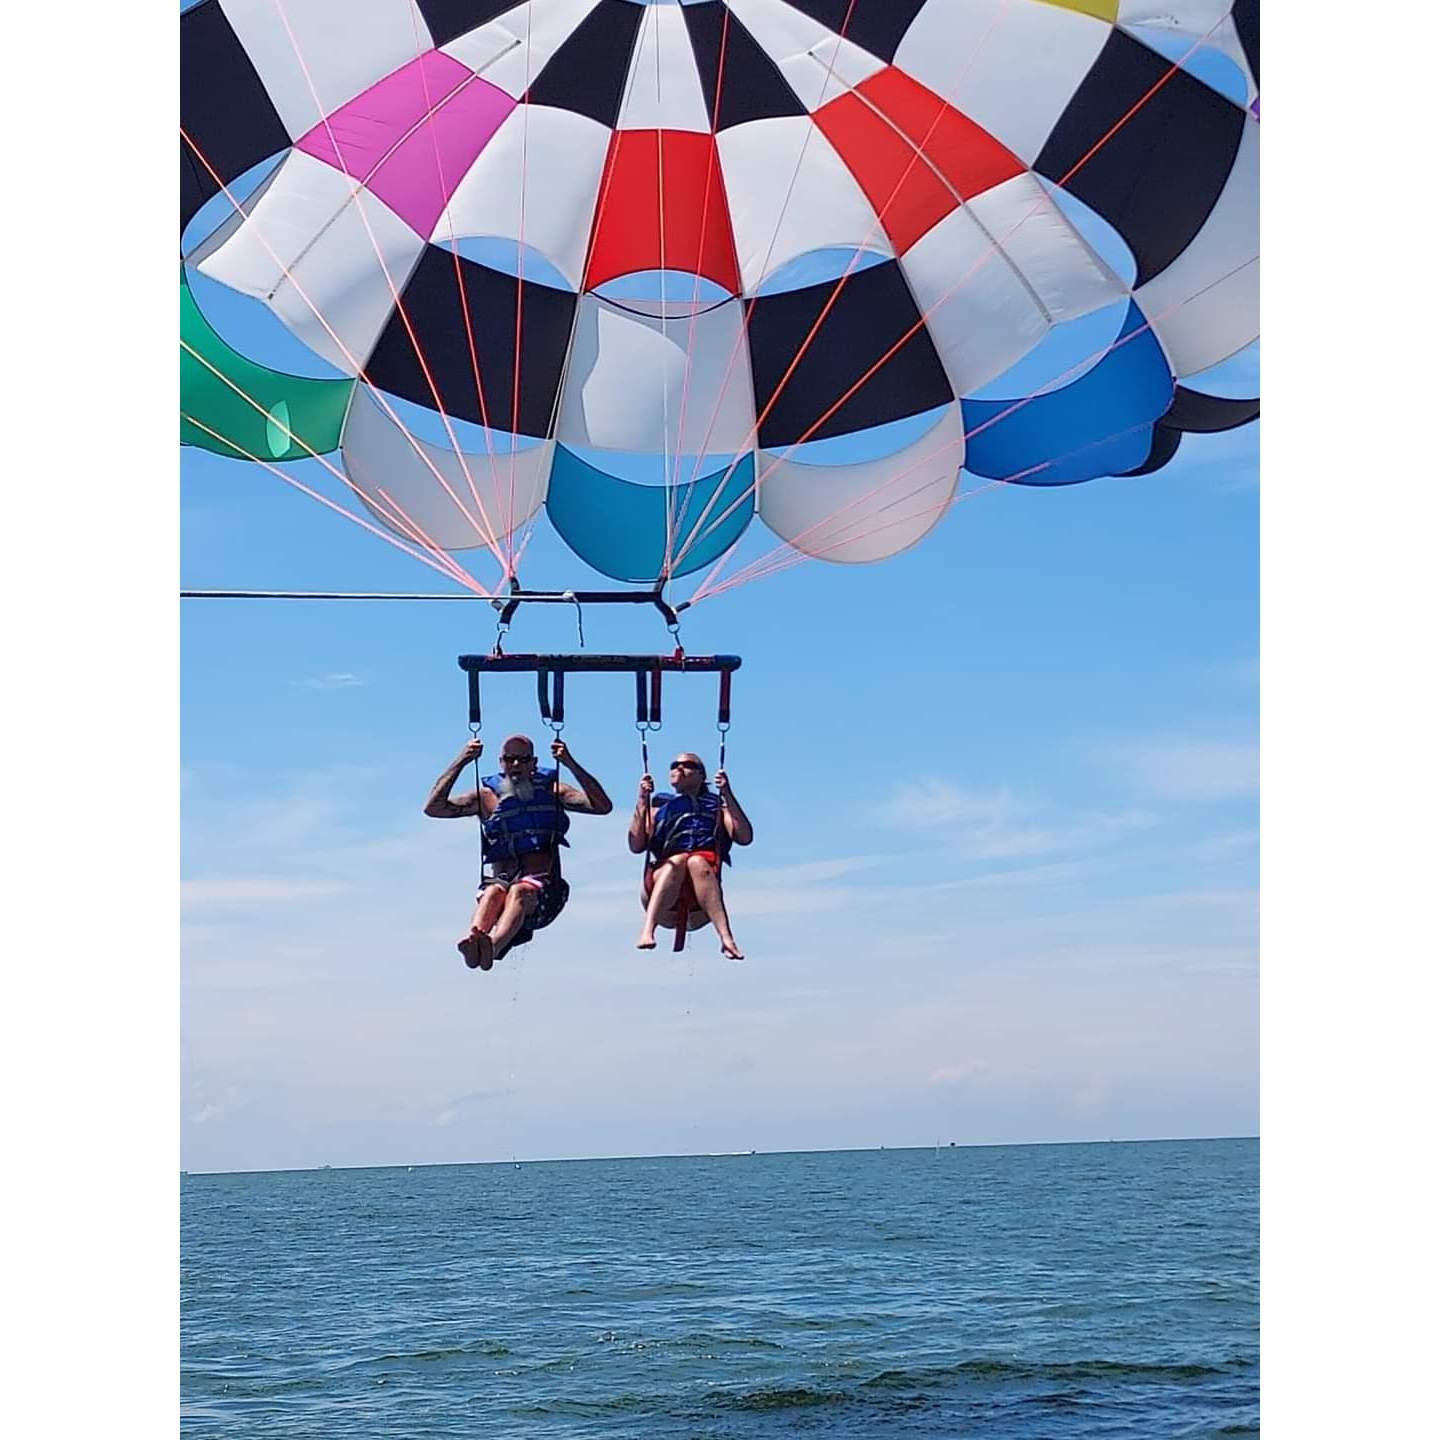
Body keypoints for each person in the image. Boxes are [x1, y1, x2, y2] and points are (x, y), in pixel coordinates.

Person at [425, 733, 613, 971]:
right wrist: (462, 760)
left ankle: (493, 947)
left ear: (533, 764)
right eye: (510, 759)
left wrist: (570, 763)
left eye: (523, 760)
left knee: (519, 891)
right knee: (493, 892)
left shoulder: (554, 792)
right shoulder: (486, 799)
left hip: (544, 895)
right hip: (502, 882)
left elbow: (602, 806)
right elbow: (434, 808)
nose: (516, 765)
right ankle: (475, 940)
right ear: (501, 762)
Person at [629, 752, 753, 959]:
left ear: (701, 776)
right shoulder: (658, 808)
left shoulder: (718, 807)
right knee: (678, 860)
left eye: (687, 765)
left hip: (701, 899)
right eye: (674, 765)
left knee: (696, 861)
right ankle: (647, 930)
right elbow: (636, 845)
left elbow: (744, 837)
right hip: (663, 892)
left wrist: (727, 794)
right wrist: (642, 800)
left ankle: (727, 939)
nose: (679, 768)